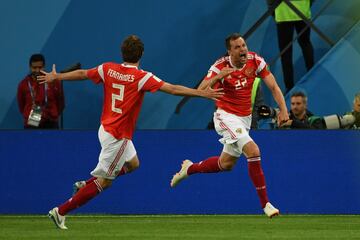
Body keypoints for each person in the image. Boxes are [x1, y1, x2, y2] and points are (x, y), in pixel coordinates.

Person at [38, 35, 223, 230]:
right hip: (118, 136)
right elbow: (173, 89)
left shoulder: (108, 68)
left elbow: (83, 73)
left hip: (105, 128)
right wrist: (201, 93)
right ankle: (60, 211)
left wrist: (57, 76)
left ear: (122, 52)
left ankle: (86, 184)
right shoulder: (142, 77)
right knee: (105, 183)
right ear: (141, 54)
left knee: (134, 164)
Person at [170, 33, 289, 218]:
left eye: (244, 45)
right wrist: (218, 77)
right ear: (229, 51)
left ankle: (190, 169)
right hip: (225, 116)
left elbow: (273, 87)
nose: (243, 50)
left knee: (225, 164)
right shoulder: (220, 66)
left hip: (244, 119)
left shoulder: (255, 61)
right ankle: (266, 204)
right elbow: (200, 90)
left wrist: (283, 110)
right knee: (253, 150)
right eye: (237, 47)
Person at [268, 0, 314, 93]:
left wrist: (272, 9)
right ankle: (313, 75)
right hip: (302, 10)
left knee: (286, 52)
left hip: (283, 13)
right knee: (305, 43)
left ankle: (289, 87)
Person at [17, 54, 64, 129]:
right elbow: (21, 106)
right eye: (34, 67)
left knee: (53, 141)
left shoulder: (54, 82)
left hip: (51, 121)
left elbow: (61, 103)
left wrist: (52, 114)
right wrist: (33, 113)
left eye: (40, 67)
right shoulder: (23, 84)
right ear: (30, 67)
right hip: (32, 121)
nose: (37, 70)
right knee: (33, 140)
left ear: (44, 66)